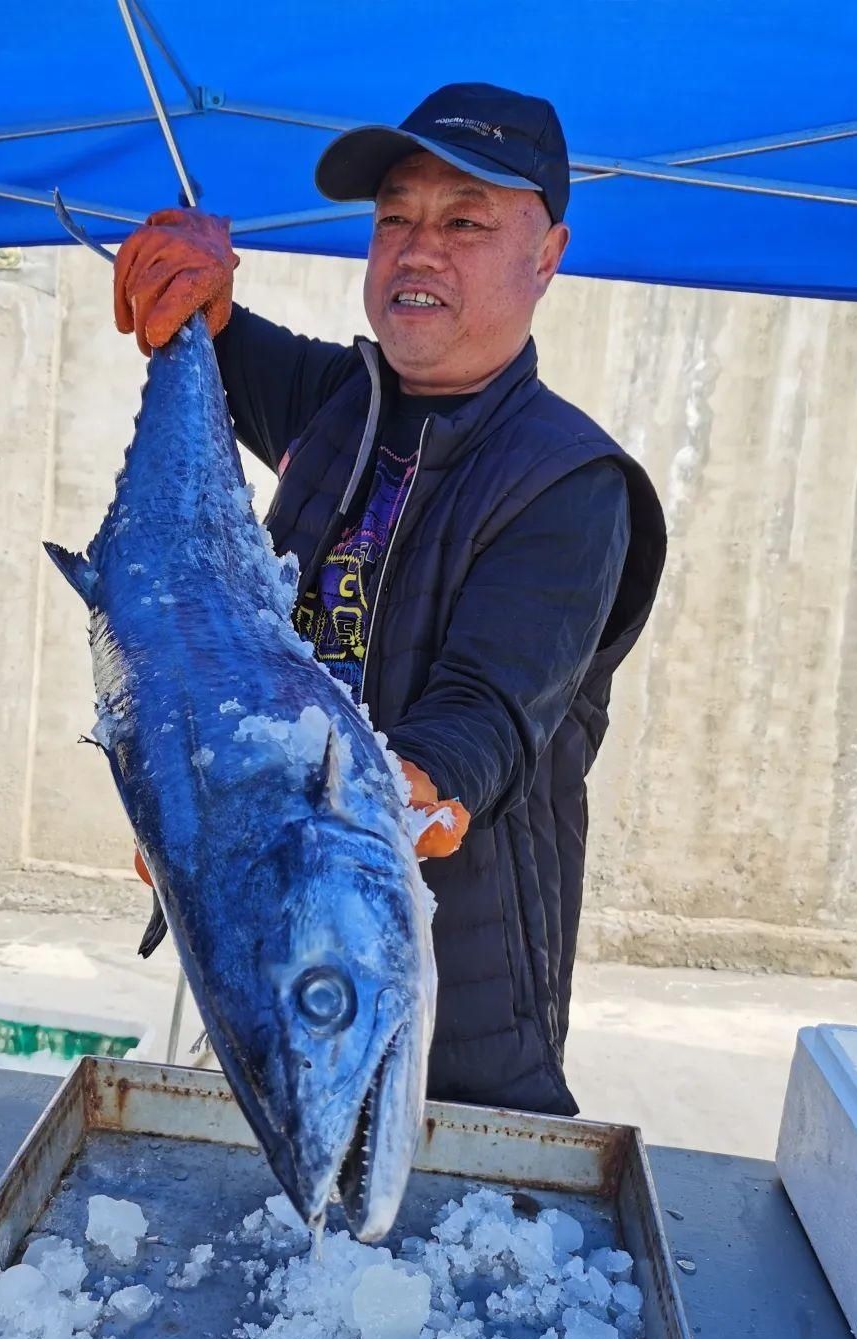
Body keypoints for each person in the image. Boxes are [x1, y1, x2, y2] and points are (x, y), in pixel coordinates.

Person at [114, 82, 666, 1116]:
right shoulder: (341, 404)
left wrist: (254, 811)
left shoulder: (571, 482)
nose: (419, 251)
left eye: (464, 222)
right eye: (394, 220)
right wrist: (189, 282)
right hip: (274, 937)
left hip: (461, 1007)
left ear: (545, 255)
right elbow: (216, 337)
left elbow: (483, 720)